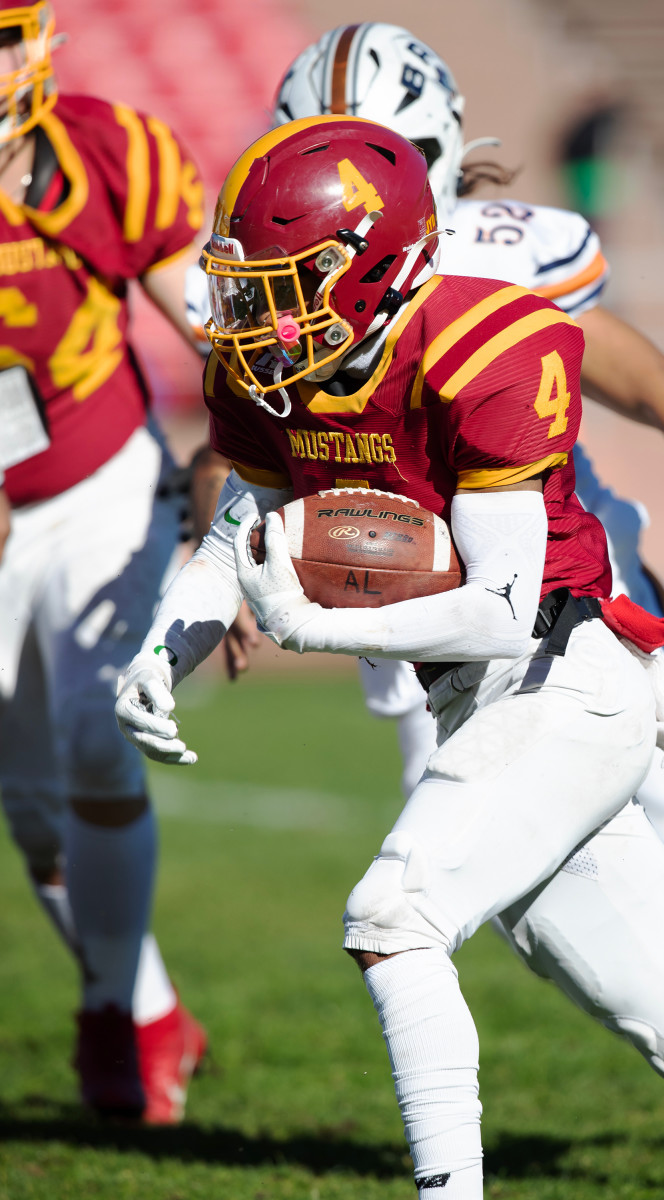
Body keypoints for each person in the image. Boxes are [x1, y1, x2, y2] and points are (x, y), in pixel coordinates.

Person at [116, 115, 664, 1200]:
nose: (253, 317)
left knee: (393, 918)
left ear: (367, 270)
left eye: (284, 285)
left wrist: (314, 625)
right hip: (481, 708)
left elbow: (499, 611)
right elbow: (238, 530)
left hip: (569, 677)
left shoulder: (483, 343)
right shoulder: (277, 375)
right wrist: (165, 647)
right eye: (248, 286)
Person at [0, 1, 206, 1123]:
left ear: (34, 44)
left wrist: (255, 447)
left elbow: (210, 330)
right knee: (30, 814)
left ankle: (106, 1016)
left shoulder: (104, 151)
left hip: (101, 485)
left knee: (94, 731)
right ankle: (151, 1008)